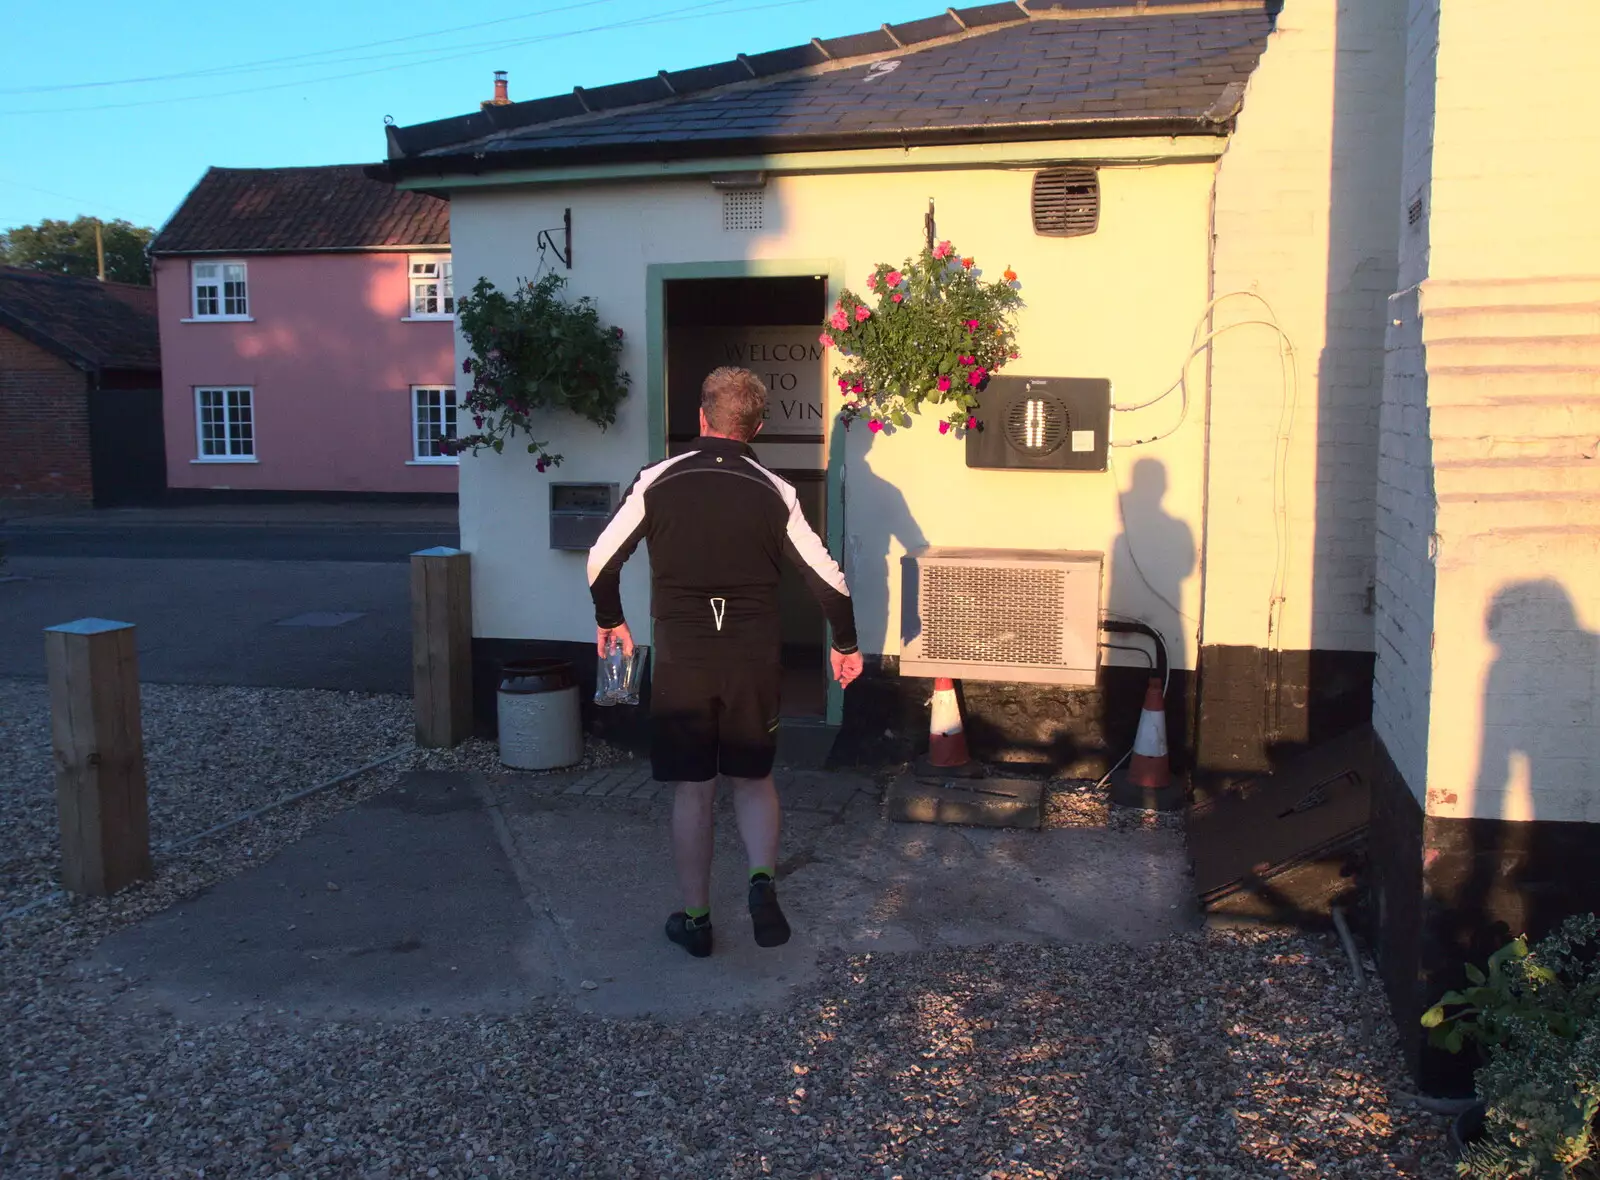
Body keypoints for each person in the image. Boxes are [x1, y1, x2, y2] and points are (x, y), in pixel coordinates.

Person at [587, 366, 863, 958]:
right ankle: (761, 882)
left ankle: (697, 920)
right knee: (753, 778)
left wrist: (611, 621)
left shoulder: (656, 480)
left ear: (702, 417)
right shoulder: (776, 491)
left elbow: (599, 561)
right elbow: (830, 583)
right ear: (756, 427)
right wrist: (844, 645)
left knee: (694, 790)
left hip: (686, 656)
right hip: (752, 656)